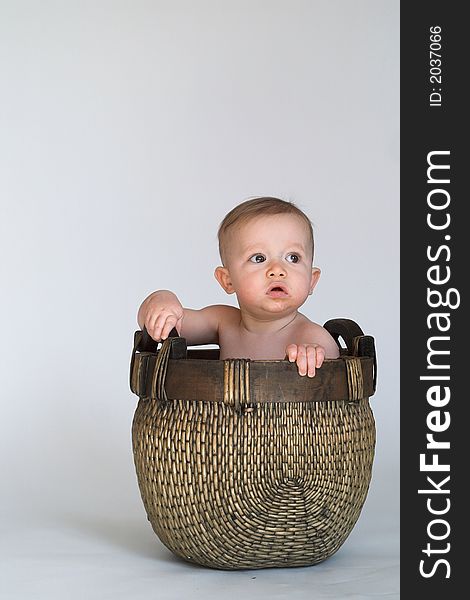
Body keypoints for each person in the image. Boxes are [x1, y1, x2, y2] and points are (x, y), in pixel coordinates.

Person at [138, 197, 339, 377]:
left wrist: (313, 355)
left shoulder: (310, 335)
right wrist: (161, 301)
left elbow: (330, 372)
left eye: (293, 258)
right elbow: (170, 326)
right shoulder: (224, 322)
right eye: (259, 258)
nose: (277, 270)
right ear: (228, 280)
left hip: (289, 419)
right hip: (223, 420)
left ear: (312, 280)